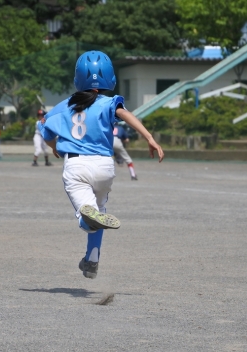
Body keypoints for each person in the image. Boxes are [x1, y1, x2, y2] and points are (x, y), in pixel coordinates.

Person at [41, 50, 164, 279]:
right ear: (110, 77)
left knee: (87, 217)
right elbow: (126, 115)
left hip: (77, 167)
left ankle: (87, 220)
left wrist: (53, 147)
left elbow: (45, 129)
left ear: (78, 78)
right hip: (105, 167)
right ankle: (91, 260)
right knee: (99, 210)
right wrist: (149, 137)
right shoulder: (109, 103)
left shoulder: (65, 105)